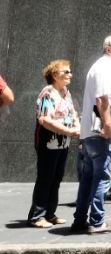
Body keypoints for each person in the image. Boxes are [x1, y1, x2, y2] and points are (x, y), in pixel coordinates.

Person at [71, 33, 111, 234]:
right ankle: (97, 221)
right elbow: (102, 99)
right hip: (101, 133)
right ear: (108, 48)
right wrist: (107, 126)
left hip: (92, 133)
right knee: (102, 177)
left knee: (88, 177)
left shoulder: (102, 67)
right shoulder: (104, 67)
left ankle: (79, 220)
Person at [28, 59, 79, 228]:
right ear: (55, 75)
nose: (70, 74)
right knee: (45, 178)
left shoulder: (65, 92)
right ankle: (37, 216)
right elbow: (44, 119)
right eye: (66, 72)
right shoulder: (48, 92)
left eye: (70, 71)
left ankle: (50, 214)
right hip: (48, 143)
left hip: (63, 143)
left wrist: (76, 127)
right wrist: (68, 131)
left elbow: (73, 113)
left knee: (56, 178)